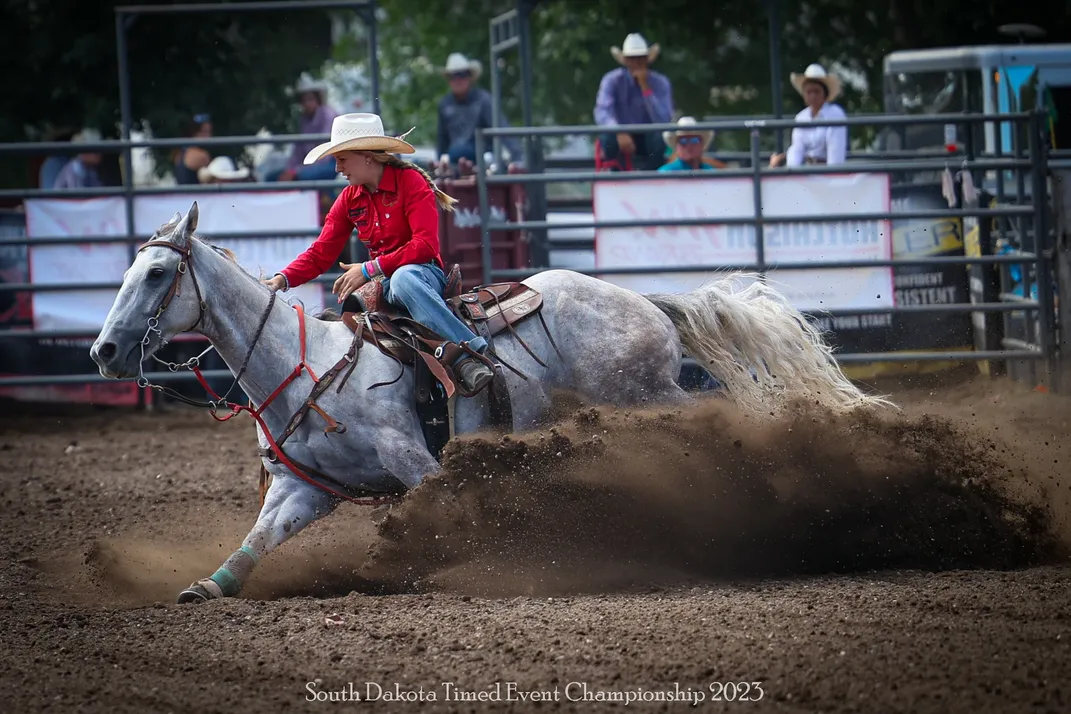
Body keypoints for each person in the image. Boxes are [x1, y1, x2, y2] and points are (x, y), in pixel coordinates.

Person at [261, 113, 495, 394]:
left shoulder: (410, 182)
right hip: (385, 281)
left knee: (403, 280)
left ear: (367, 156)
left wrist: (369, 269)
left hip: (421, 274)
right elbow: (321, 252)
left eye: (342, 159)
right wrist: (282, 279)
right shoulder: (349, 198)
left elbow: (425, 246)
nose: (337, 168)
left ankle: (469, 352)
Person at [594, 33, 674, 171]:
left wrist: (646, 89)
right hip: (620, 135)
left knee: (660, 138)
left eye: (640, 58)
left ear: (647, 59)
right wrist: (619, 131)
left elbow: (663, 119)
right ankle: (616, 176)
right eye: (632, 58)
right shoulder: (612, 80)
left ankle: (650, 178)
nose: (636, 63)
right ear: (625, 60)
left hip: (649, 137)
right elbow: (602, 111)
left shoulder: (660, 82)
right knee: (607, 138)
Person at [769, 64, 848, 168]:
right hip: (806, 170)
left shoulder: (835, 114)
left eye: (816, 91)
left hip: (826, 170)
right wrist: (793, 170)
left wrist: (832, 175)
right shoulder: (801, 117)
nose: (812, 96)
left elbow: (835, 152)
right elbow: (797, 148)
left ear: (825, 94)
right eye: (808, 92)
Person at [269, 75, 340, 182]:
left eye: (310, 100)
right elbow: (298, 150)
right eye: (304, 101)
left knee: (303, 176)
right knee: (272, 177)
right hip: (309, 164)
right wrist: (290, 170)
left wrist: (296, 171)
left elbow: (324, 152)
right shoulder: (304, 119)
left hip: (333, 161)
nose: (307, 104)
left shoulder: (327, 115)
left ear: (318, 99)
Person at [173, 113, 213, 185]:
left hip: (181, 194)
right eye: (205, 132)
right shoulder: (201, 155)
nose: (208, 136)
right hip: (196, 195)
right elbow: (209, 181)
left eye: (209, 132)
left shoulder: (180, 152)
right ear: (195, 133)